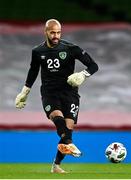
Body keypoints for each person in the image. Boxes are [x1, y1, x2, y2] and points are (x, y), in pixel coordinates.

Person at [15, 19, 99, 173]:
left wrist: (83, 74)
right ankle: (69, 142)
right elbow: (33, 72)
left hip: (70, 92)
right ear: (46, 32)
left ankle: (56, 165)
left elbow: (94, 65)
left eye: (58, 32)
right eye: (52, 32)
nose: (55, 35)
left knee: (68, 127)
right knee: (56, 116)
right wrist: (24, 92)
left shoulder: (70, 48)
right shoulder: (37, 51)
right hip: (49, 92)